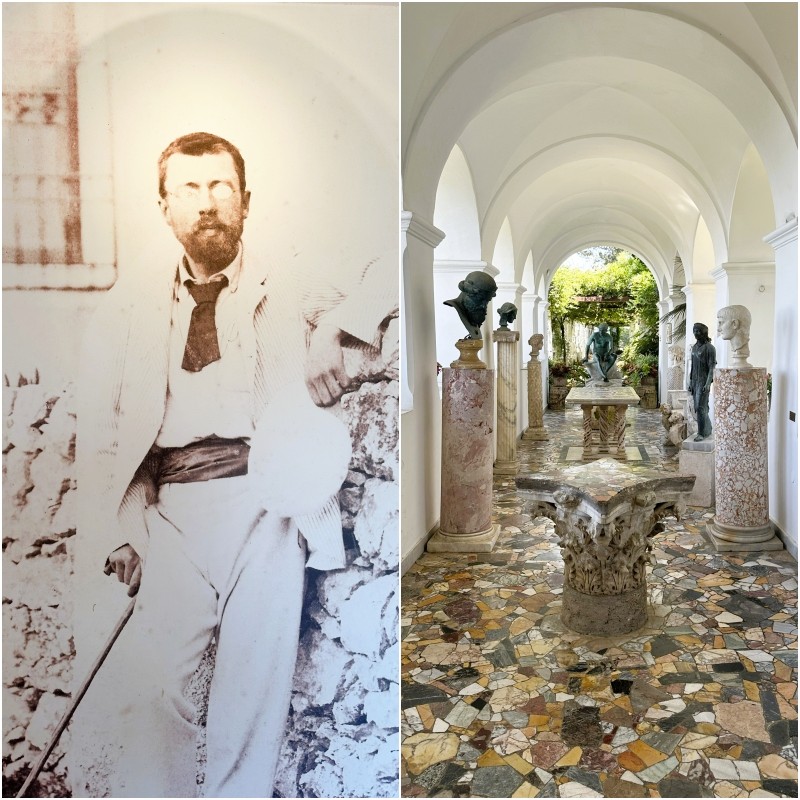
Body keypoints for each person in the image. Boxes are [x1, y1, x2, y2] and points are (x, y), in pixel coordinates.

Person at [73, 132, 394, 797]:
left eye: (221, 187)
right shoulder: (128, 309)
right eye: (189, 189)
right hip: (171, 514)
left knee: (253, 698)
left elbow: (391, 268)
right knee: (155, 689)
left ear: (246, 201)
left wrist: (332, 327)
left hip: (266, 504)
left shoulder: (289, 284)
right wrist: (120, 532)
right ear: (164, 208)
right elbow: (106, 429)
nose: (207, 203)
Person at [444, 271, 497, 339]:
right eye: (480, 300)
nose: (483, 306)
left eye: (487, 301)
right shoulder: (450, 311)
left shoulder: (474, 315)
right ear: (468, 293)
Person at [687, 321, 717, 441]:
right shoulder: (694, 347)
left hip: (703, 381)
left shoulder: (710, 348)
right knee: (698, 407)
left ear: (704, 333)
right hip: (695, 381)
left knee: (700, 407)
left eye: (698, 331)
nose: (695, 333)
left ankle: (701, 433)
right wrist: (690, 382)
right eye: (694, 331)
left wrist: (708, 383)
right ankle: (707, 429)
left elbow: (712, 367)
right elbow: (692, 366)